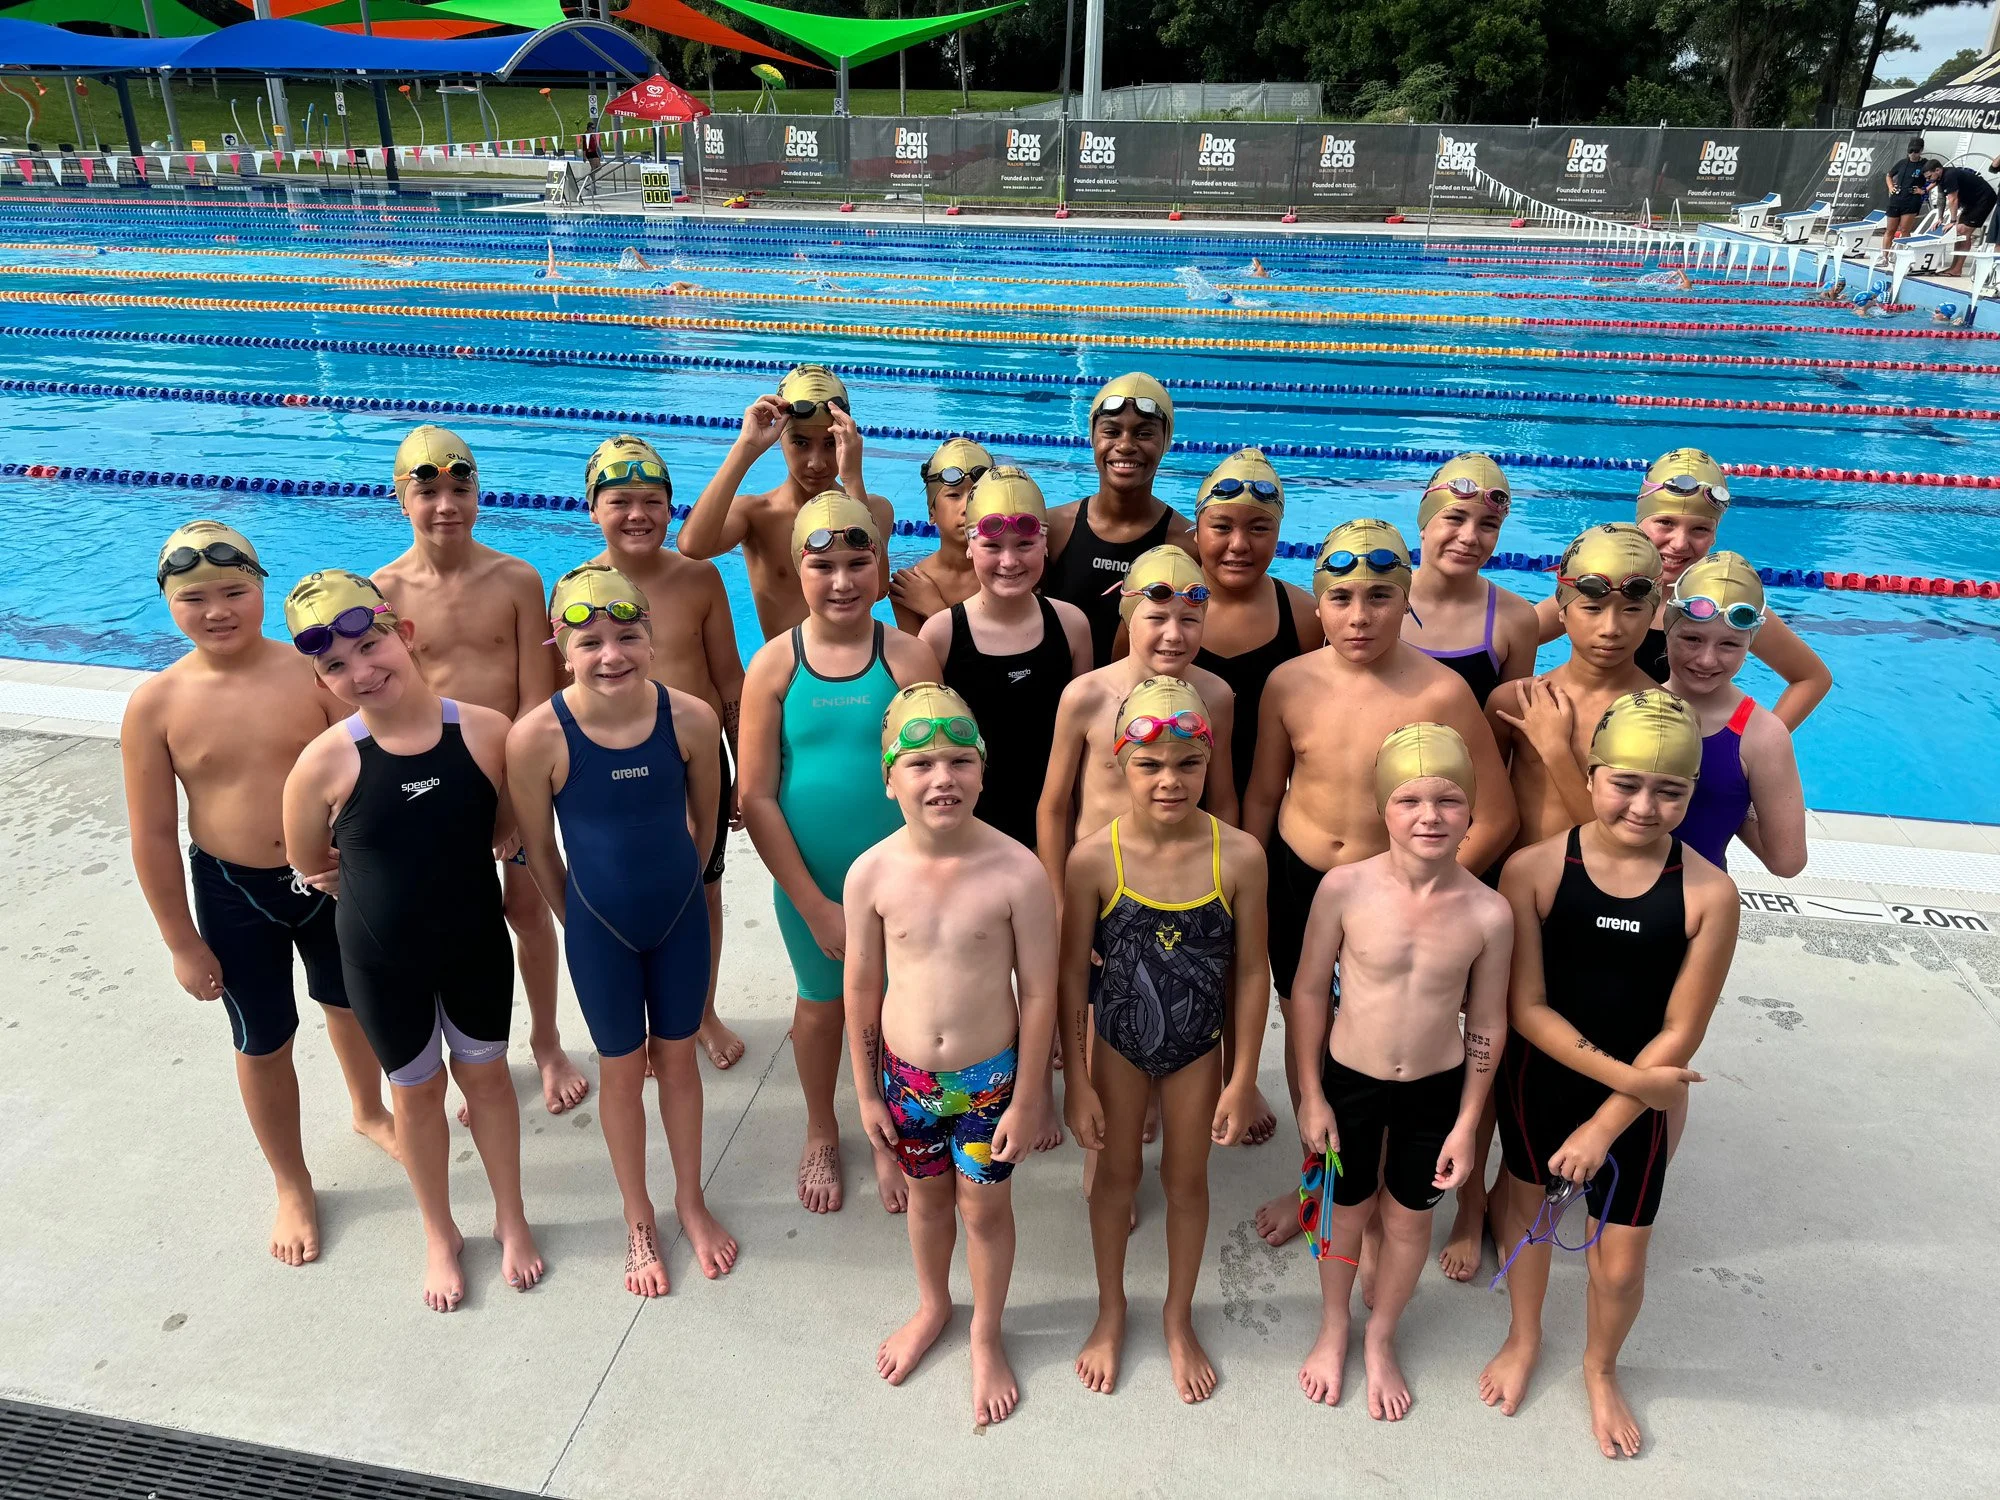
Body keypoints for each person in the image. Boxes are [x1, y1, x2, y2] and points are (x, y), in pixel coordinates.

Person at [122, 523, 393, 1268]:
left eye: (235, 591)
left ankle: (369, 1111)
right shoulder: (155, 705)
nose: (218, 610)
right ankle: (293, 1181)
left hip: (332, 880)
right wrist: (181, 941)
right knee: (262, 1038)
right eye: (195, 598)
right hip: (234, 891)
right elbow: (151, 834)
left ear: (263, 588)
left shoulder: (312, 673)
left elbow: (372, 768)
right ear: (168, 603)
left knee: (350, 1007)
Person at [1244, 519, 1516, 1246]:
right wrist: (1257, 887)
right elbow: (1265, 799)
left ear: (1408, 603)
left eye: (1379, 597)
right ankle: (1321, 1182)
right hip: (1303, 886)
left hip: (1397, 903)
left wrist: (1432, 888)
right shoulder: (1288, 682)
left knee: (1391, 1044)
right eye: (1341, 598)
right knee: (1310, 1034)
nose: (1359, 616)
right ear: (1318, 604)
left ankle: (1388, 1187)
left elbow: (1495, 814)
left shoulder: (1442, 692)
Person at [1482, 689, 1738, 1460]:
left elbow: (1681, 1031)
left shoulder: (1709, 894)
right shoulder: (1533, 869)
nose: (1645, 804)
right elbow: (1525, 1007)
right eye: (1626, 782)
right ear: (1590, 776)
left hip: (1633, 1105)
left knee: (1620, 1266)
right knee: (1527, 1220)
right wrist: (1620, 1085)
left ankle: (1600, 1367)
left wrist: (1606, 1121)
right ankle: (1525, 1337)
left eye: (1670, 789)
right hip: (1540, 1080)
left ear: (1693, 794)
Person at [281, 570, 543, 1312]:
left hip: (473, 945)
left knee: (487, 1080)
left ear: (408, 634)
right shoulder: (324, 764)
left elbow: (503, 830)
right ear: (321, 679)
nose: (361, 670)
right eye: (335, 664)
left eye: (372, 644)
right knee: (416, 1094)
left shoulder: (488, 733)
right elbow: (309, 861)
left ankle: (511, 1217)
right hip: (380, 961)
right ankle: (438, 1232)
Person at [1439, 522, 1662, 1280]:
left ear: (1655, 608)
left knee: (1565, 1061)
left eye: (1633, 606)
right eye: (1591, 603)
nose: (1610, 626)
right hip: (1515, 907)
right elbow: (1487, 810)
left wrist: (1558, 751)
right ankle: (1474, 1206)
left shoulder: (1659, 719)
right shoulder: (1514, 697)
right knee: (1492, 1062)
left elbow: (1628, 842)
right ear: (1560, 604)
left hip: (1600, 914)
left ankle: (1520, 1185)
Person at [508, 563, 737, 1298]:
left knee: (678, 1062)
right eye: (591, 642)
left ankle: (689, 1199)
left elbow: (705, 833)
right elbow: (541, 853)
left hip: (676, 918)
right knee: (619, 1069)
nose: (611, 655)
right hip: (598, 927)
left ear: (651, 637)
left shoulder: (692, 719)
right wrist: (578, 922)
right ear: (560, 647)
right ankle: (637, 1214)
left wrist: (682, 893)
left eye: (628, 636)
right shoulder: (537, 735)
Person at [843, 684, 1060, 1426]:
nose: (944, 777)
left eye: (961, 760)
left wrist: (1032, 1097)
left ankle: (986, 1331)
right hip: (905, 1080)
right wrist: (867, 1093)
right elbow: (862, 985)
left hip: (988, 1082)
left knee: (986, 1209)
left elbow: (1039, 993)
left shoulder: (1016, 871)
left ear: (983, 771)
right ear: (889, 777)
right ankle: (934, 1304)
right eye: (922, 761)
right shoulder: (869, 873)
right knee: (929, 1202)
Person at [1291, 724, 1512, 1417]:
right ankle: (1335, 1326)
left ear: (1471, 810)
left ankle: (1380, 1337)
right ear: (1382, 809)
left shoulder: (1488, 912)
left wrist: (1470, 1124)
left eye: (1448, 800)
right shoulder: (1344, 889)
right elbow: (1304, 992)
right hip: (1348, 1080)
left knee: (1410, 1221)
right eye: (1410, 799)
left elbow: (1486, 1022)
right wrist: (1309, 1095)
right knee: (1344, 1213)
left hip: (1436, 1089)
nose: (1429, 816)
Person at [1059, 678, 1269, 1403]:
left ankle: (1178, 1317)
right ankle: (1111, 1308)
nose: (1170, 780)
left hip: (1196, 1051)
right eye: (1150, 765)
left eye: (1188, 763)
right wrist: (1077, 1081)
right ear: (1119, 765)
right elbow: (1067, 978)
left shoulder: (1238, 856)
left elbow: (1250, 975)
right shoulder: (1093, 858)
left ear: (1210, 763)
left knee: (1186, 1183)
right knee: (1114, 1179)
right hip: (1116, 1044)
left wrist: (1243, 1078)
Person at [371, 425, 588, 1117]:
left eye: (459, 488)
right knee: (451, 922)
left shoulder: (518, 578)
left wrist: (513, 800)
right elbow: (385, 698)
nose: (445, 505)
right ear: (400, 498)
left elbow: (535, 695)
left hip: (513, 772)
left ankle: (548, 1043)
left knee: (528, 911)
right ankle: (471, 1054)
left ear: (477, 493)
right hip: (434, 787)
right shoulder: (383, 590)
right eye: (427, 490)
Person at [738, 495, 942, 1215]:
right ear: (799, 570)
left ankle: (892, 1131)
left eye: (859, 563)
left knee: (900, 1008)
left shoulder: (908, 656)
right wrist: (813, 904)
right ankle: (823, 1127)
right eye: (824, 565)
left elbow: (936, 771)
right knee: (823, 1011)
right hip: (814, 883)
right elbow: (756, 796)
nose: (843, 581)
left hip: (904, 881)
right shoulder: (773, 668)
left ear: (880, 565)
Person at [580, 434, 747, 1071]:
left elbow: (729, 679)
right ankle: (640, 1022)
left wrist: (740, 769)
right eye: (620, 501)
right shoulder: (577, 590)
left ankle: (698, 1012)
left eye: (653, 500)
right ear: (593, 508)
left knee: (702, 893)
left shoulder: (699, 578)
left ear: (672, 508)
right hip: (612, 774)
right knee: (626, 894)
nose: (638, 514)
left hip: (696, 766)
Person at [1530, 448, 1832, 728]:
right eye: (1665, 523)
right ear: (1640, 524)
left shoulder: (1724, 604)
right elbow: (1514, 637)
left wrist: (1746, 746)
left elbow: (1812, 678)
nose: (1680, 543)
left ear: (1714, 536)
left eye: (1700, 529)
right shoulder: (1605, 588)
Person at [1038, 543, 1238, 893]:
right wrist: (1057, 900)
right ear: (1129, 617)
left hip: (1180, 881)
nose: (1174, 635)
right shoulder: (1086, 696)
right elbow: (1054, 806)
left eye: (1190, 619)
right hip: (1098, 881)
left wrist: (1221, 884)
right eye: (1157, 618)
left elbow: (1222, 799)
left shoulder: (1216, 695)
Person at [919, 466, 1092, 849]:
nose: (1009, 561)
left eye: (1025, 545)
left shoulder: (1071, 625)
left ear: (1045, 543)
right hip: (971, 834)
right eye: (992, 547)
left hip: (1055, 831)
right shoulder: (941, 635)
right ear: (968, 544)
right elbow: (929, 754)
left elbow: (1083, 748)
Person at [677, 364, 895, 640]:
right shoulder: (756, 515)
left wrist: (852, 479)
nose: (816, 463)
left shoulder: (875, 508)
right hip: (788, 673)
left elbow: (877, 590)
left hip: (857, 671)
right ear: (781, 438)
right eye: (800, 443)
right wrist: (746, 448)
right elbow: (692, 546)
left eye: (830, 444)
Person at [1189, 447, 1323, 805]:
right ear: (1197, 531)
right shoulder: (1159, 607)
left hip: (1267, 808)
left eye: (1259, 528)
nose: (1239, 545)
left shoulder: (1303, 616)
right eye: (1221, 527)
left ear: (1278, 533)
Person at [1662, 552, 1807, 877]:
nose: (1706, 660)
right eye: (1692, 639)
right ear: (1667, 628)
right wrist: (1731, 802)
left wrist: (1737, 801)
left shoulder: (1765, 736)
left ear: (1750, 643)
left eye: (1729, 645)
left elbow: (1787, 861)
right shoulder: (1760, 734)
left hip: (1698, 915)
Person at [1040, 373, 1197, 667]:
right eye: (1111, 432)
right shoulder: (1055, 528)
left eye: (1144, 433)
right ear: (1093, 437)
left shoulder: (1187, 543)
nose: (1125, 445)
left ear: (1166, 441)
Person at [1403, 452, 1541, 708]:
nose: (1469, 537)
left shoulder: (1516, 619)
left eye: (1488, 525)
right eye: (1455, 518)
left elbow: (1509, 727)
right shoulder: (1375, 601)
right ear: (1424, 522)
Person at [889, 438, 995, 633]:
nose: (967, 508)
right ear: (931, 512)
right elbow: (919, 660)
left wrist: (936, 611)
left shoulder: (1008, 570)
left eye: (976, 495)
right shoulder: (909, 584)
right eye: (954, 495)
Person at [1925, 157, 1997, 275]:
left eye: (1929, 177)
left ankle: (1957, 269)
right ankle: (1954, 267)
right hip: (1971, 202)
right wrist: (1940, 218)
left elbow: (1953, 200)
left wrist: (1953, 221)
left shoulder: (1949, 176)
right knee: (1957, 233)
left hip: (1983, 200)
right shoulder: (1940, 178)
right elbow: (1941, 198)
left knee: (1962, 231)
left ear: (1937, 170)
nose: (1928, 181)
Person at [1883, 137, 1930, 246]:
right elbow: (1889, 175)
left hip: (1911, 199)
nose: (1913, 154)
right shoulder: (1902, 162)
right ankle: (1884, 256)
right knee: (1890, 230)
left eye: (1916, 151)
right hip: (1897, 198)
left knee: (1904, 230)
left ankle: (1903, 256)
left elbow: (1936, 179)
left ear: (1921, 150)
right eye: (1910, 151)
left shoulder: (1925, 164)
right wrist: (1890, 187)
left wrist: (1924, 190)